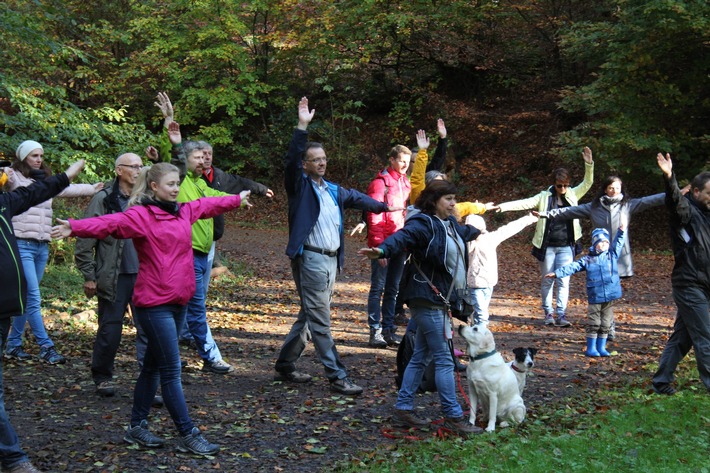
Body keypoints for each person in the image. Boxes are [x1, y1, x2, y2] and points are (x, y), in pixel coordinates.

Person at [51, 162, 252, 455]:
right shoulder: (141, 215)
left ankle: (136, 427)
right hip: (153, 303)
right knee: (171, 371)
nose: (175, 188)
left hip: (179, 299)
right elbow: (110, 223)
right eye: (170, 184)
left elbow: (207, 204)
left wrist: (236, 199)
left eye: (177, 183)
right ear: (155, 187)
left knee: (152, 368)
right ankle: (187, 433)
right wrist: (75, 227)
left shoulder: (184, 210)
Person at [273, 96, 399, 396]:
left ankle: (285, 364)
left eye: (324, 158)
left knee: (310, 313)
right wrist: (301, 127)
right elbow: (291, 161)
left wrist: (384, 206)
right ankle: (336, 375)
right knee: (320, 319)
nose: (322, 162)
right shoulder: (300, 186)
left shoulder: (331, 189)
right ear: (305, 164)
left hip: (332, 261)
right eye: (316, 159)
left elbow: (358, 198)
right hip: (311, 260)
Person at [359, 180, 483, 436]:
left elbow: (465, 233)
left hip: (438, 300)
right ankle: (453, 416)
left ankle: (403, 408)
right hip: (426, 298)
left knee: (420, 356)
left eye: (453, 198)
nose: (452, 203)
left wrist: (479, 230)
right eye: (448, 199)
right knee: (446, 360)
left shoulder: (449, 225)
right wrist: (382, 249)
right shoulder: (423, 223)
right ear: (434, 200)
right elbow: (402, 237)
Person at [0, 158, 85, 473]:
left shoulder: (3, 203)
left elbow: (36, 192)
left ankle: (12, 456)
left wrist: (65, 175)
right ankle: (13, 456)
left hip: (3, 309)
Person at [4, 141, 102, 364]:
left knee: (26, 298)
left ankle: (13, 345)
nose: (38, 159)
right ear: (23, 158)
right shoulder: (15, 177)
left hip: (41, 245)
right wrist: (5, 172)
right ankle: (46, 347)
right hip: (20, 244)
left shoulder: (45, 181)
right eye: (33, 155)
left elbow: (66, 188)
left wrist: (92, 188)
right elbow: (4, 178)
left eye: (41, 155)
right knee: (32, 297)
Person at [74, 153, 147, 397]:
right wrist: (89, 275)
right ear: (119, 170)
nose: (138, 170)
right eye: (133, 166)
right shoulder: (103, 199)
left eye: (140, 166)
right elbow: (85, 239)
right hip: (113, 275)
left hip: (146, 275)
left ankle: (150, 381)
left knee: (148, 329)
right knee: (110, 330)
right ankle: (102, 377)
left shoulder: (145, 200)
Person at [497, 147, 595, 327]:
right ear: (554, 184)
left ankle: (561, 314)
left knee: (564, 280)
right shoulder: (544, 197)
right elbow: (524, 202)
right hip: (547, 245)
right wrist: (502, 206)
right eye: (560, 185)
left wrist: (588, 163)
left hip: (567, 245)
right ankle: (548, 312)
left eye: (566, 185)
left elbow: (588, 182)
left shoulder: (573, 193)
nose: (563, 188)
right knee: (547, 280)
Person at [651, 153, 710, 395]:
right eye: (709, 193)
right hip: (689, 284)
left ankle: (661, 381)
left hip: (704, 284)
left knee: (682, 338)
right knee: (706, 336)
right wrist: (669, 177)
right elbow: (674, 201)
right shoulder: (686, 212)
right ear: (695, 192)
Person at [545, 226, 626, 357]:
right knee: (594, 322)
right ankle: (591, 347)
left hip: (610, 295)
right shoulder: (587, 260)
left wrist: (621, 231)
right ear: (595, 244)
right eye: (601, 242)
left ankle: (601, 347)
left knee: (606, 322)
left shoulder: (612, 255)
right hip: (595, 295)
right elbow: (572, 267)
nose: (604, 244)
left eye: (606, 242)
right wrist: (557, 273)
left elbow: (619, 242)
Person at [365, 144, 411, 348]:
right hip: (383, 244)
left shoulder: (406, 182)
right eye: (401, 160)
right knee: (378, 288)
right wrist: (378, 247)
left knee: (393, 289)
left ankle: (388, 330)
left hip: (400, 244)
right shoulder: (380, 183)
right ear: (392, 159)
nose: (404, 165)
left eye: (407, 162)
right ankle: (374, 331)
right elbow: (374, 215)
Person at [465, 213, 538, 325]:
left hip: (489, 283)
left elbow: (510, 228)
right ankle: (481, 338)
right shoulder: (466, 243)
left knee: (478, 314)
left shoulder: (491, 238)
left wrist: (529, 218)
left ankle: (475, 336)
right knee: (482, 315)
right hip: (474, 284)